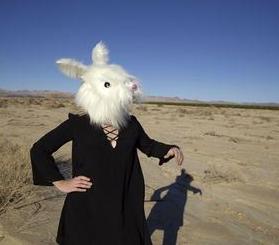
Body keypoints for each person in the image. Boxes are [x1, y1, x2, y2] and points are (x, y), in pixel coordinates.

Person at [30, 42, 184, 244]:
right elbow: (39, 149)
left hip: (125, 199)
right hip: (87, 202)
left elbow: (149, 146)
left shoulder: (131, 124)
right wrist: (61, 182)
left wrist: (170, 149)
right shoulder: (77, 124)